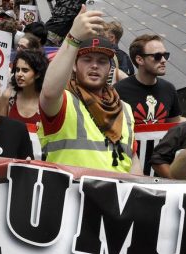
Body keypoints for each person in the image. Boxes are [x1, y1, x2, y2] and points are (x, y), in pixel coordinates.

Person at [38, 5, 140, 173]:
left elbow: (133, 160)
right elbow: (48, 92)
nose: (94, 65)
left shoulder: (126, 109)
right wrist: (73, 37)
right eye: (87, 59)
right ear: (75, 66)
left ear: (110, 69)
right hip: (69, 197)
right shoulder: (64, 101)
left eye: (101, 61)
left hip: (114, 198)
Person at [114, 34, 182, 125]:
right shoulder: (118, 91)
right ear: (140, 60)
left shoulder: (169, 89)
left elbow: (175, 127)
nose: (163, 60)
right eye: (157, 56)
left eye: (165, 55)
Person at [0, 49, 47, 125]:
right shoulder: (8, 96)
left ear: (38, 74)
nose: (19, 74)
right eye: (17, 70)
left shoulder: (46, 100)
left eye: (25, 70)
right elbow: (1, 129)